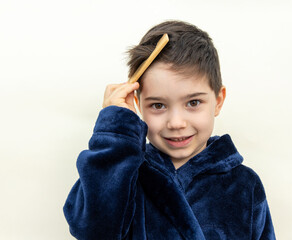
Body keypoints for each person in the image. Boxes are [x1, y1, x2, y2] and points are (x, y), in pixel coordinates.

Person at [63, 20, 276, 240]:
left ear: (218, 101)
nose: (176, 123)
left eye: (193, 103)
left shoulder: (245, 185)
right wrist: (116, 130)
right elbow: (92, 230)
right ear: (137, 105)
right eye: (158, 105)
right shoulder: (124, 173)